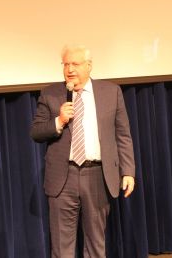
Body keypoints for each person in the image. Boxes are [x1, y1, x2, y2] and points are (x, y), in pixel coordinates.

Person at [30, 45, 135, 257]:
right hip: (63, 176)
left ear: (89, 66)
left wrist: (128, 171)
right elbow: (36, 132)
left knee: (96, 242)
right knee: (61, 245)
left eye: (75, 64)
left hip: (98, 175)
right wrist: (58, 121)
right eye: (66, 64)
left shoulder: (111, 92)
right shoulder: (50, 94)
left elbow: (122, 135)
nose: (70, 69)